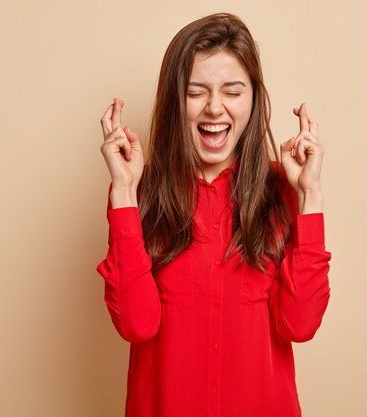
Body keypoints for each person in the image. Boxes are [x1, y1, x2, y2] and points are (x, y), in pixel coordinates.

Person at [96, 12, 332, 417]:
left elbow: (300, 324)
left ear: (253, 99)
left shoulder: (280, 191)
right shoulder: (139, 194)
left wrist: (309, 194)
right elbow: (136, 324)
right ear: (175, 101)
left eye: (233, 91)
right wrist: (122, 191)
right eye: (195, 92)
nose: (214, 108)